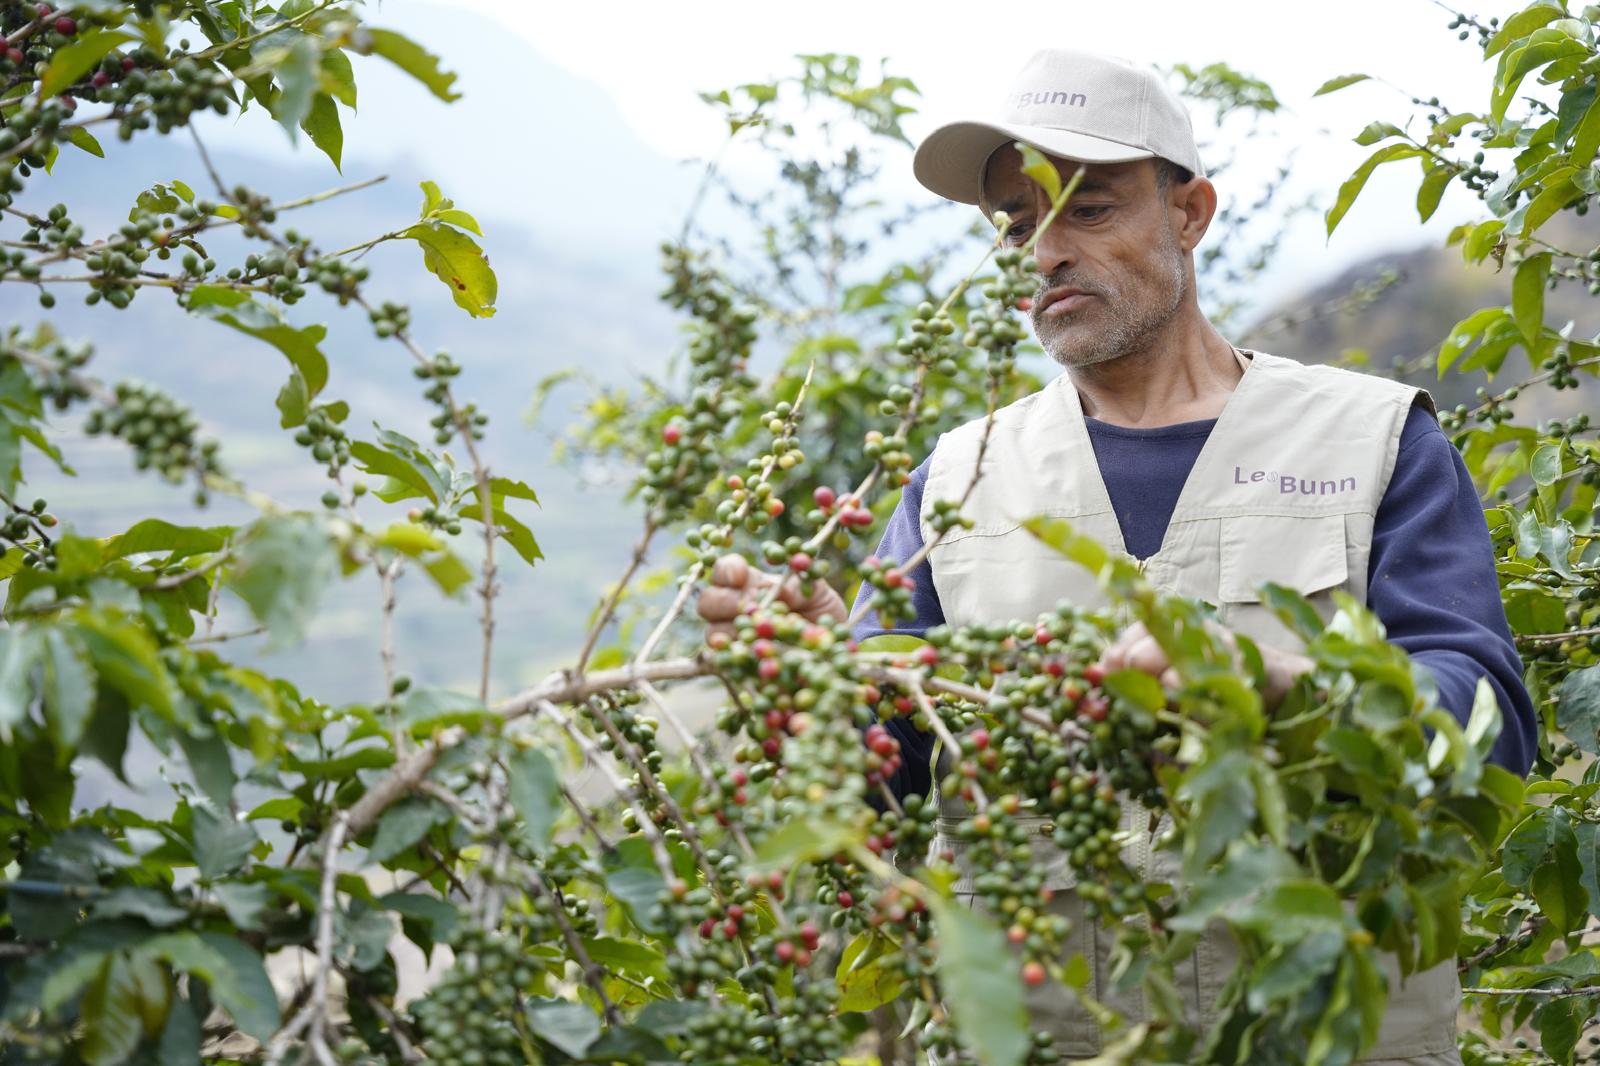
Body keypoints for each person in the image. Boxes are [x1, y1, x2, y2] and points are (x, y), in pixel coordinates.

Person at [698, 47, 1535, 1066]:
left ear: (1188, 213)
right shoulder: (956, 480)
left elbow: (1484, 726)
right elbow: (892, 783)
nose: (1043, 251)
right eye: (1017, 223)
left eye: (1086, 209)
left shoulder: (1374, 441)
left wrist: (1283, 684)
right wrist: (829, 683)